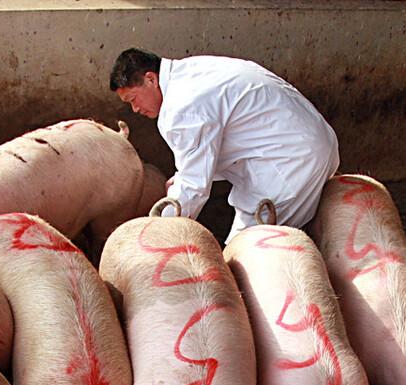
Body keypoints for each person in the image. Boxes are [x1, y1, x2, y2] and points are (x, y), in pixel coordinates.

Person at [110, 48, 340, 243]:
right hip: (310, 143)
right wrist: (183, 178)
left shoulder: (181, 108)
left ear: (151, 79)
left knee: (246, 252)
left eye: (133, 99)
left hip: (288, 164)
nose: (135, 110)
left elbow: (194, 187)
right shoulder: (193, 70)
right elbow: (210, 153)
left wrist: (158, 234)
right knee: (285, 238)